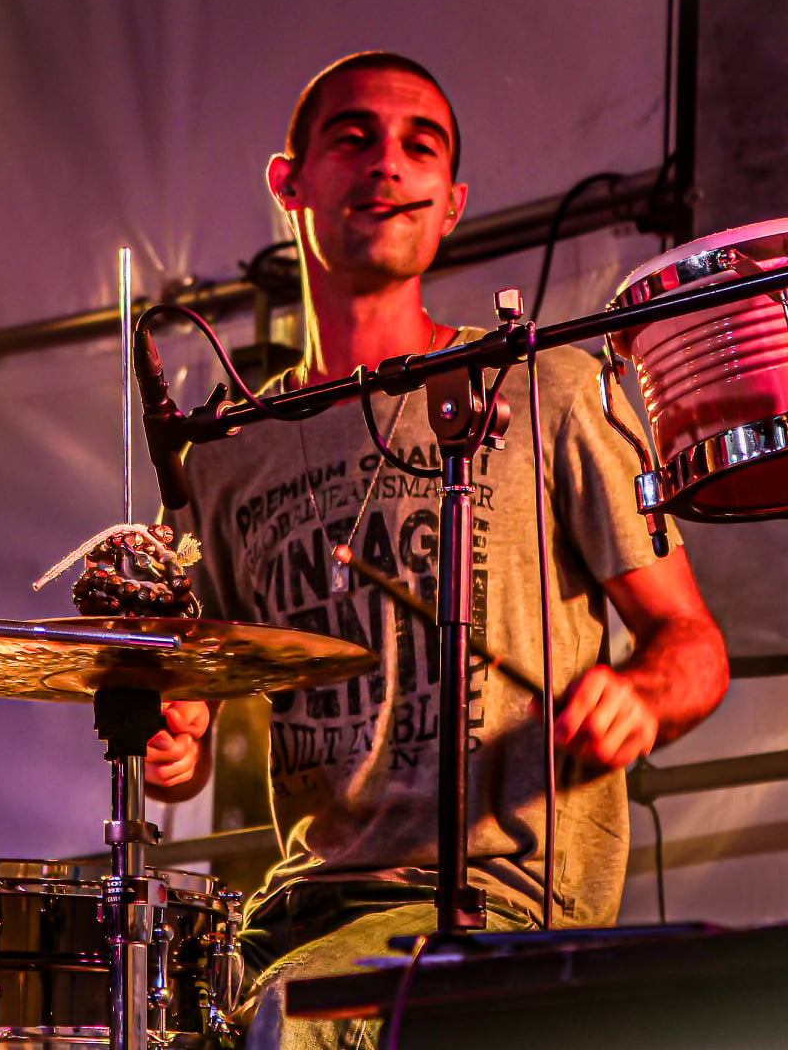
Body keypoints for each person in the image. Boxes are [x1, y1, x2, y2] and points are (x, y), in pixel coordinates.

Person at [146, 52, 730, 1050]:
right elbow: (188, 721)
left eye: (421, 147)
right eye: (353, 138)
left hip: (492, 902)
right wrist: (176, 739)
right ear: (289, 182)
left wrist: (641, 694)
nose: (388, 163)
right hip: (296, 912)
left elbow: (695, 646)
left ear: (451, 205)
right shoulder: (229, 454)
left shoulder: (547, 390)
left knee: (292, 1028)